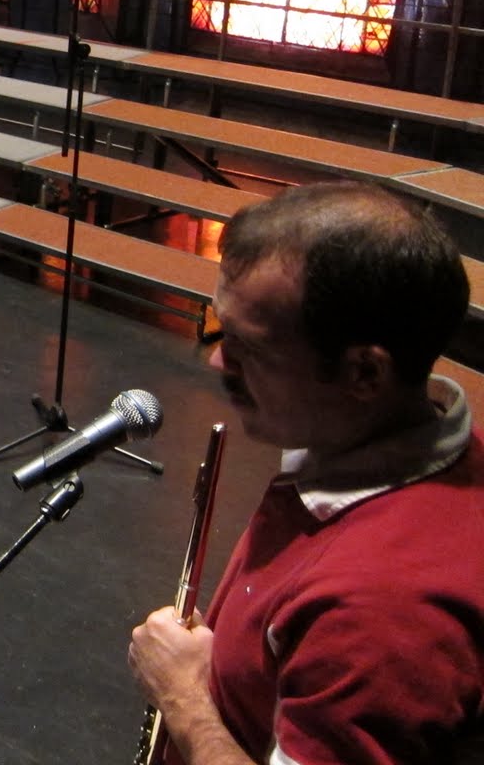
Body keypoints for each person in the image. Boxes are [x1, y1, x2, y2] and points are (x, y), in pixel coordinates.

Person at [127, 182, 484, 765]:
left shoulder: (378, 616)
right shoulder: (351, 444)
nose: (219, 360)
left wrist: (184, 697)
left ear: (363, 374)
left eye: (250, 347)